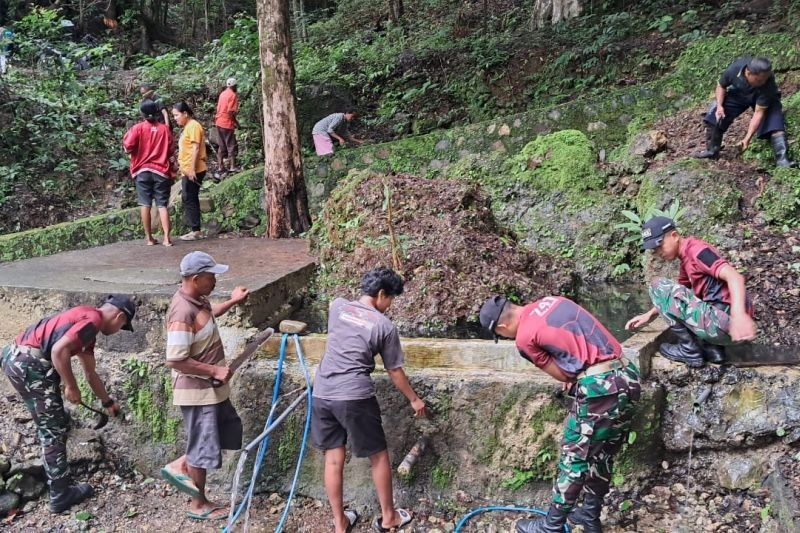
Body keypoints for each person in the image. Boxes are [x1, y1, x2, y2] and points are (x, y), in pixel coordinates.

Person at [479, 294, 641, 533]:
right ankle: (589, 516)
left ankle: (551, 526)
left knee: (574, 459)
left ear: (502, 326)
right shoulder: (554, 301)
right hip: (628, 376)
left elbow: (564, 375)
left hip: (600, 387)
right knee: (602, 454)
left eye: (500, 335)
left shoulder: (524, 338)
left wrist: (573, 373)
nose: (504, 337)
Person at [312, 268, 425, 533]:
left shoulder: (338, 307)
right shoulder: (384, 326)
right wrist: (414, 399)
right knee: (378, 456)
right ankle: (389, 519)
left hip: (322, 392)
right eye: (391, 299)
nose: (390, 306)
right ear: (381, 294)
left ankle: (340, 523)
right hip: (354, 396)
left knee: (333, 458)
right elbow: (394, 371)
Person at [1, 295, 135, 513]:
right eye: (123, 325)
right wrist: (70, 386)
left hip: (13, 357)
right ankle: (60, 494)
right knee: (52, 430)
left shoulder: (85, 324)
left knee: (51, 422)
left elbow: (91, 374)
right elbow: (58, 351)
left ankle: (52, 472)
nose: (120, 329)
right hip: (29, 364)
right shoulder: (92, 320)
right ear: (119, 316)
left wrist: (107, 402)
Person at [161, 251, 249, 521]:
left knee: (211, 441)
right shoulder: (182, 311)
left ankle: (186, 467)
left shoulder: (198, 300)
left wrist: (233, 301)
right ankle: (197, 504)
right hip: (197, 393)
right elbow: (175, 359)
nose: (215, 281)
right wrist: (213, 369)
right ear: (196, 278)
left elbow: (210, 316)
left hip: (210, 390)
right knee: (200, 449)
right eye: (211, 276)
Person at [625, 216, 756, 367]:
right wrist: (649, 314)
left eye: (659, 245)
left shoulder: (697, 251)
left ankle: (689, 350)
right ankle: (713, 350)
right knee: (679, 294)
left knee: (657, 285)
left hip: (731, 326)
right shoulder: (686, 259)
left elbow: (735, 277)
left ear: (674, 235)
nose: (658, 252)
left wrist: (740, 316)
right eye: (654, 249)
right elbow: (676, 296)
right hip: (727, 329)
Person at [695, 56, 795, 168]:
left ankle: (782, 160)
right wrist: (719, 106)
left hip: (764, 97)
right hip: (740, 93)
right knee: (715, 116)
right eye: (758, 80)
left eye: (764, 79)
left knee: (775, 122)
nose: (762, 82)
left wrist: (747, 138)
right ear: (748, 73)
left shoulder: (767, 84)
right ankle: (712, 150)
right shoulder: (734, 69)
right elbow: (721, 86)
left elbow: (759, 112)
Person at [123, 101, 176, 246]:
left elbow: (128, 147)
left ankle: (149, 238)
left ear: (143, 114)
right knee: (162, 205)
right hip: (161, 172)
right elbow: (171, 150)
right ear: (157, 113)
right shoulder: (165, 130)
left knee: (145, 204)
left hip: (142, 171)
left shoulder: (137, 128)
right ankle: (166, 238)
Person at [172, 102, 207, 241]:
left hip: (194, 169)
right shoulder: (188, 127)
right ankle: (196, 229)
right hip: (187, 170)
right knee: (190, 197)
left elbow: (195, 148)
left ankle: (195, 230)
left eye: (176, 115)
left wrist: (192, 169)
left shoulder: (193, 126)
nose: (175, 118)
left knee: (189, 198)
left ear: (185, 113)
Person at [214, 77, 240, 175]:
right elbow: (230, 112)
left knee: (221, 145)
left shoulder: (223, 94)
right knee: (231, 145)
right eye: (236, 86)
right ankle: (232, 167)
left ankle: (221, 167)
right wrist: (236, 123)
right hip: (226, 124)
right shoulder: (232, 95)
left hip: (218, 122)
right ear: (234, 86)